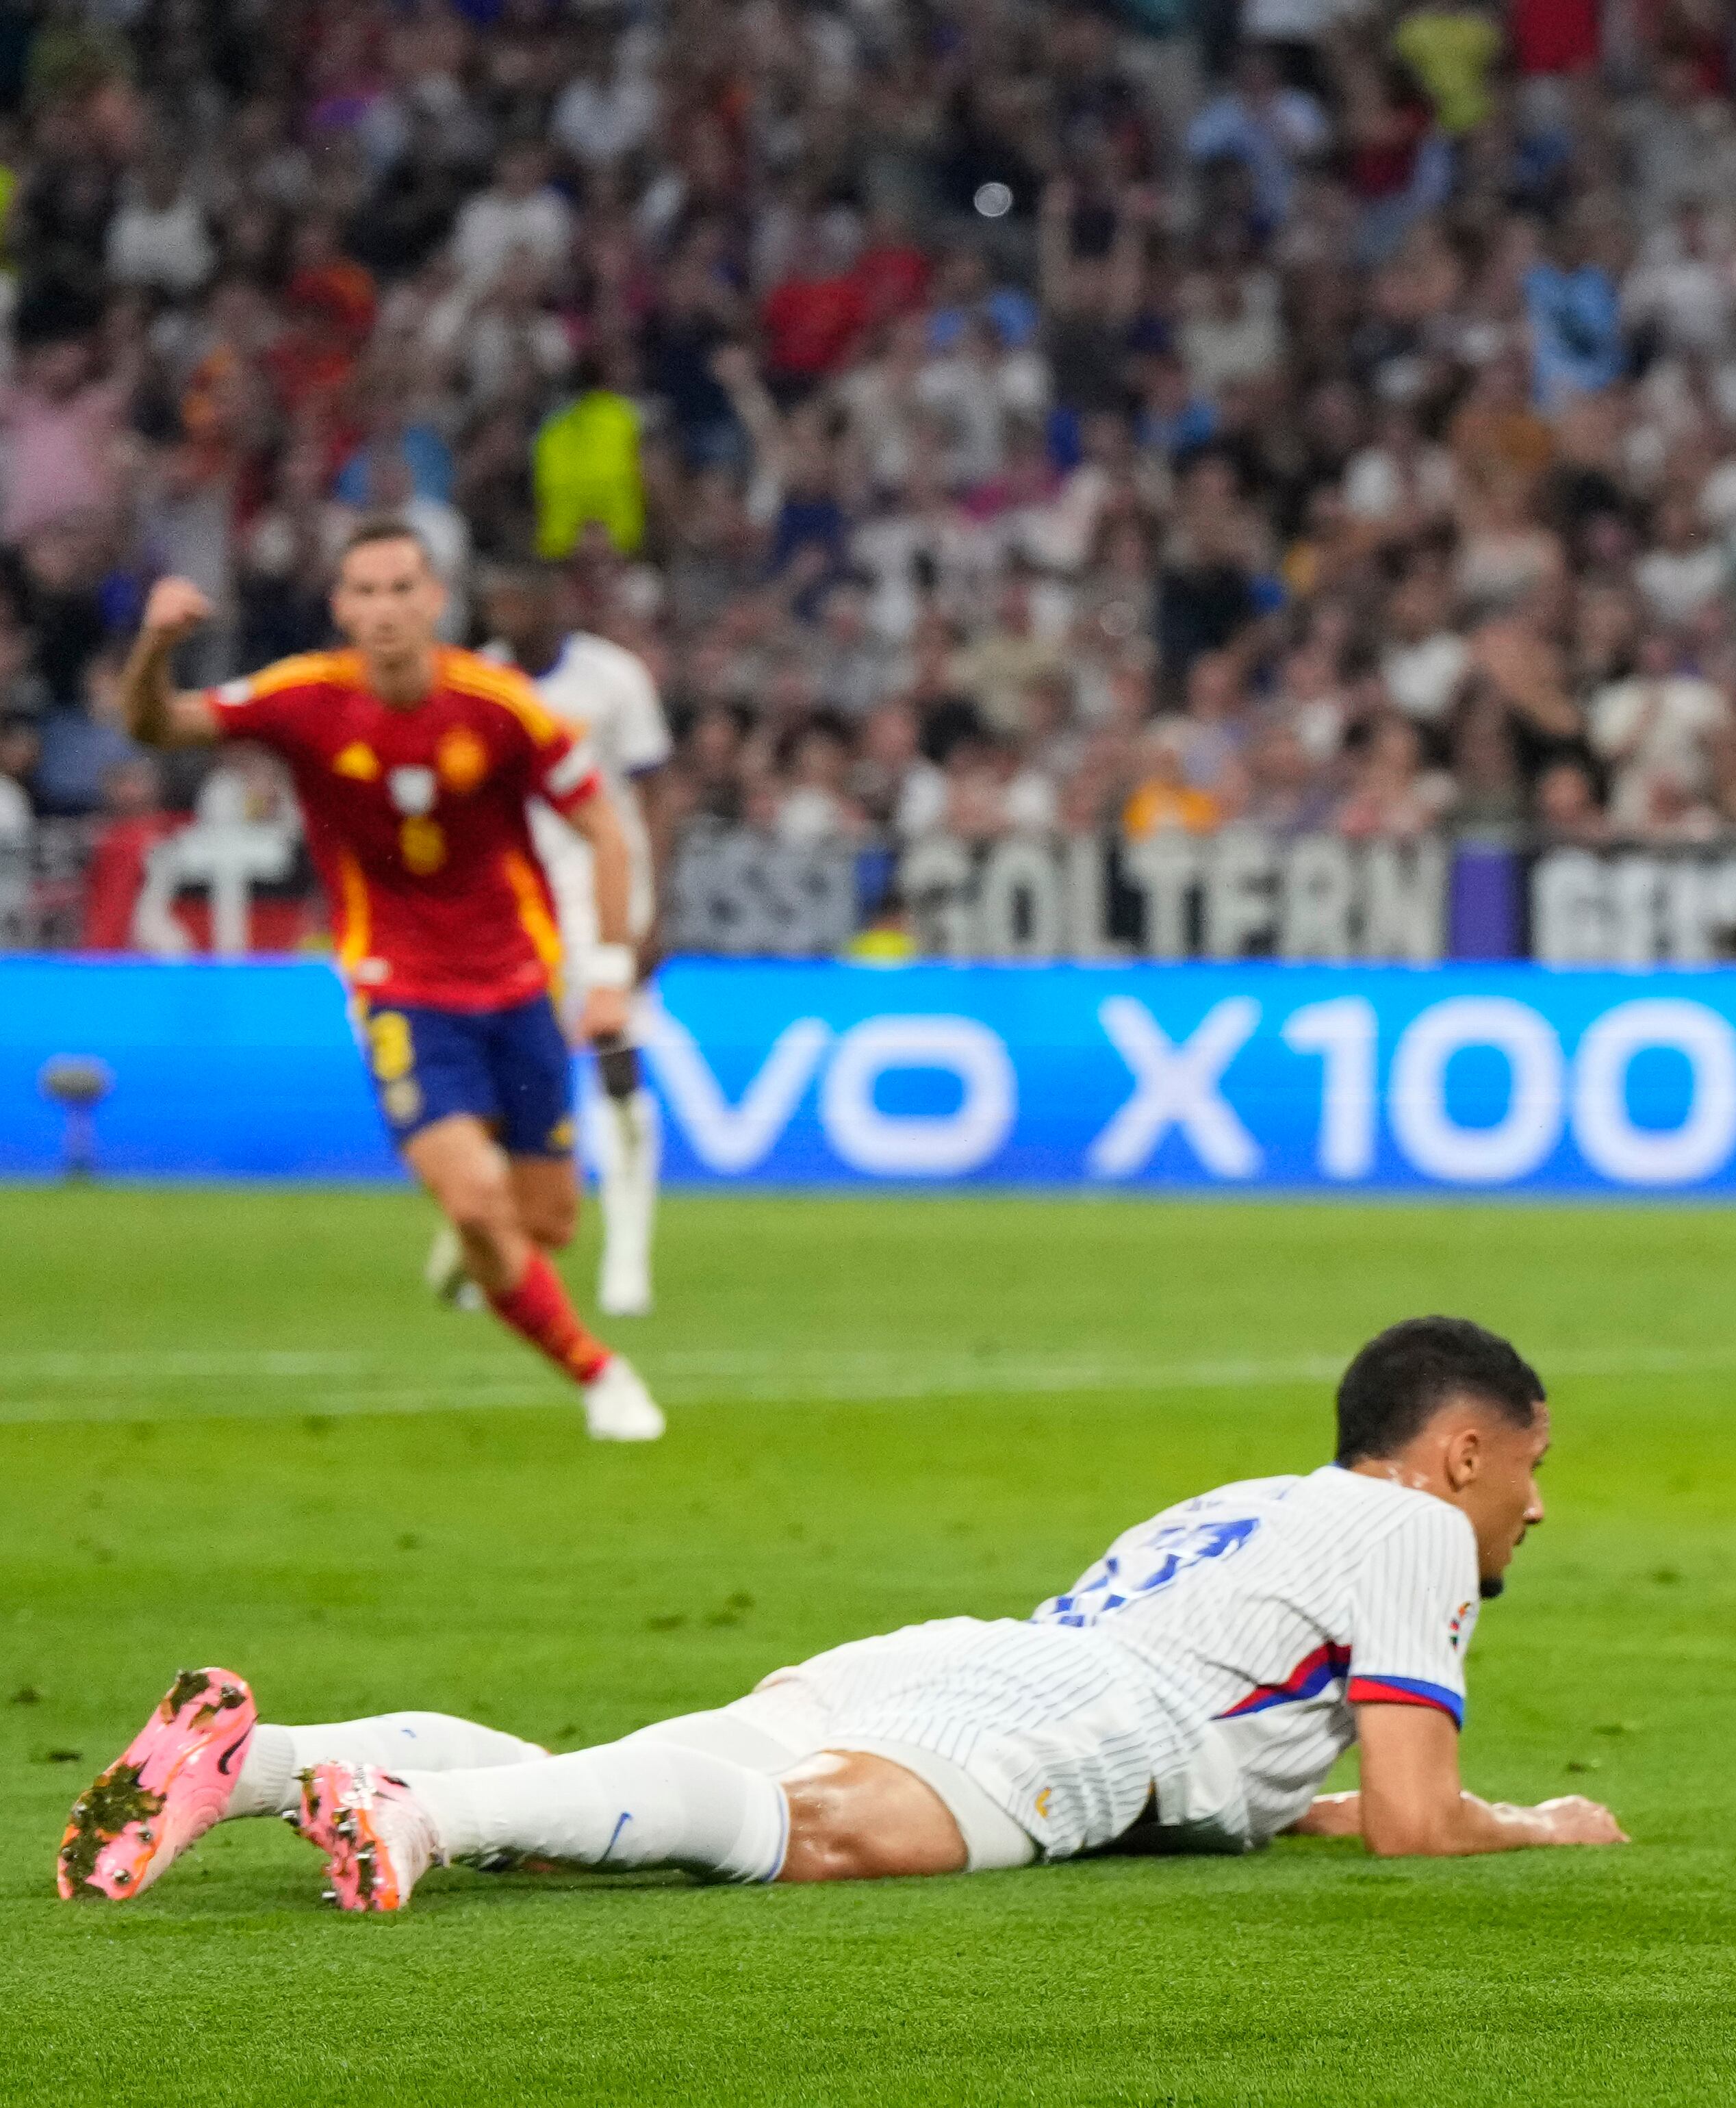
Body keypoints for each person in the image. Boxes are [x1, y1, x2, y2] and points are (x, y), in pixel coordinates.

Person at [58, 1317, 1625, 1910]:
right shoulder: (1411, 1522)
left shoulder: (1242, 1502)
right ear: (1464, 1446)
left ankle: (261, 1758)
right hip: (1087, 1717)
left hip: (964, 1658)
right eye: (1530, 1465)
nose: (1534, 1506)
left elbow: (1280, 1769)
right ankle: (413, 1818)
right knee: (814, 1832)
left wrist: (1316, 1805)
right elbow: (1423, 1820)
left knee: (642, 1784)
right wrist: (1543, 1822)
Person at [114, 524, 664, 1442]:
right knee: (483, 1202)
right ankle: (599, 1372)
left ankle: (473, 1249)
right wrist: (157, 644)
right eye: (363, 591)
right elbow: (156, 724)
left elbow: (607, 830)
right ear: (340, 607)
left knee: (547, 1222)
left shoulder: (502, 707)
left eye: (400, 587)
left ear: (434, 600)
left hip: (520, 985)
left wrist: (608, 974)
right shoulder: (304, 698)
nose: (383, 608)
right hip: (400, 988)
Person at [479, 566, 673, 1317]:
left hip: (605, 892)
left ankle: (628, 1255)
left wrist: (653, 908)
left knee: (617, 1063)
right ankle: (495, 1243)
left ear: (557, 600)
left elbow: (656, 794)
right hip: (516, 904)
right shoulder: (480, 682)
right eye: (499, 596)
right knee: (514, 1077)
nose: (510, 607)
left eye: (521, 594)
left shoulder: (613, 678)